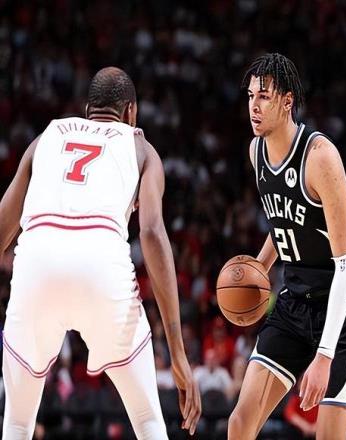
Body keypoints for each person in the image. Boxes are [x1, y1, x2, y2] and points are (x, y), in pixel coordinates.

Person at [0, 67, 201, 439]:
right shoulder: (140, 147)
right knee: (147, 418)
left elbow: (2, 227)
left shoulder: (47, 136)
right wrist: (177, 352)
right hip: (102, 266)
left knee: (16, 422)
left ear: (87, 110)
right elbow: (152, 233)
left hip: (36, 262)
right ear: (131, 113)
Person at [228, 53, 346, 440]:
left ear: (287, 102)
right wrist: (258, 269)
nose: (254, 106)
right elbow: (284, 222)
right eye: (250, 96)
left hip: (341, 307)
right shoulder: (257, 152)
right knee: (240, 423)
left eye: (264, 97)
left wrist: (324, 356)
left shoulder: (320, 157)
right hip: (294, 302)